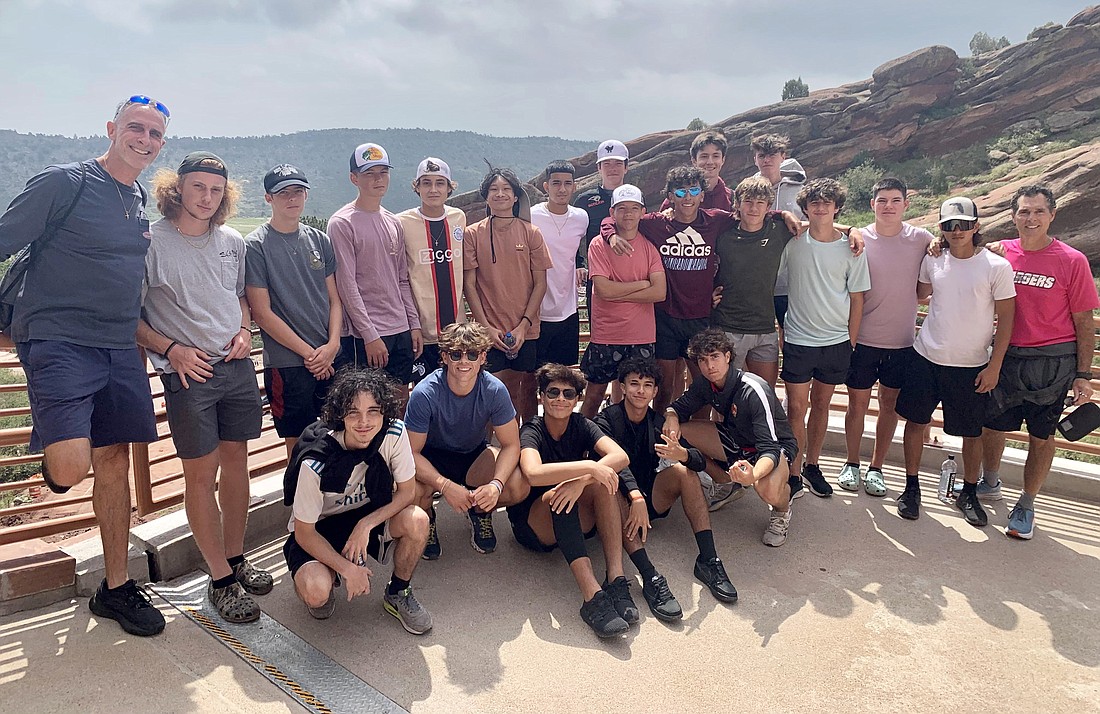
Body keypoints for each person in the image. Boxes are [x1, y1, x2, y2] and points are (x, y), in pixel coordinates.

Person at [0, 95, 169, 636]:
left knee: (115, 458)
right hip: (58, 338)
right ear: (111, 129)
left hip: (120, 345)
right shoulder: (65, 181)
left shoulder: (137, 196)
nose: (144, 139)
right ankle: (55, 459)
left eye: (154, 133)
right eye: (135, 128)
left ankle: (115, 588)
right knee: (73, 469)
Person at [137, 152, 271, 623]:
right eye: (197, 187)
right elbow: (130, 317)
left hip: (234, 364)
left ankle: (234, 559)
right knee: (201, 475)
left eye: (215, 190)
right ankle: (219, 578)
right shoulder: (151, 242)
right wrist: (171, 350)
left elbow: (238, 297)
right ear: (177, 188)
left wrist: (242, 332)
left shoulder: (232, 240)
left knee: (237, 465)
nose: (206, 198)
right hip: (187, 373)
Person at [981, 185, 1099, 539]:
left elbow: (1083, 322)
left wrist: (1082, 374)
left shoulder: (1071, 260)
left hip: (1051, 363)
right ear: (1013, 216)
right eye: (1023, 212)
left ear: (1052, 215)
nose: (1030, 219)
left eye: (1038, 212)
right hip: (1004, 356)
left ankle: (1027, 504)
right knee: (992, 426)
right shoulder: (1000, 254)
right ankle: (990, 482)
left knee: (1041, 436)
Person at [282, 368, 433, 633]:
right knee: (317, 592)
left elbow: (409, 492)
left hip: (367, 513)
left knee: (418, 520)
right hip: (320, 527)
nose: (364, 422)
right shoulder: (316, 461)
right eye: (354, 412)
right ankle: (330, 570)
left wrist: (365, 526)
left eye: (373, 411)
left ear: (385, 411)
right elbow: (304, 533)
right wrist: (346, 569)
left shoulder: (394, 433)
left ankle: (399, 590)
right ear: (340, 415)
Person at [894, 196, 1016, 524]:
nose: (957, 230)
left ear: (976, 226)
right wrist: (932, 248)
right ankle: (911, 486)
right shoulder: (934, 259)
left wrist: (994, 366)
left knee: (971, 433)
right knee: (915, 422)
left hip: (972, 364)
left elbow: (1006, 319)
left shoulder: (996, 266)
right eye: (949, 225)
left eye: (963, 224)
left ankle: (969, 492)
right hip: (926, 356)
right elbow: (921, 293)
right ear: (942, 228)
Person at [594, 358, 737, 621]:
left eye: (648, 385)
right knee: (609, 484)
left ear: (655, 392)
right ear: (622, 387)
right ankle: (650, 575)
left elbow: (694, 457)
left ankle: (708, 559)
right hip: (618, 499)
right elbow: (611, 464)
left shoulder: (658, 421)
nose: (641, 390)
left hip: (650, 499)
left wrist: (682, 454)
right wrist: (634, 496)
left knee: (686, 472)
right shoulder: (606, 421)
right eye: (634, 384)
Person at [508, 364, 638, 637]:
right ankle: (592, 596)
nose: (560, 399)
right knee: (564, 490)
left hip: (575, 516)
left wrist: (585, 480)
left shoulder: (582, 424)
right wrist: (589, 468)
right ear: (541, 396)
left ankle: (615, 577)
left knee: (603, 482)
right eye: (553, 392)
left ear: (577, 399)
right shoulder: (533, 428)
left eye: (568, 394)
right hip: (534, 525)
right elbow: (533, 473)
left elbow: (620, 457)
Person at [839, 178, 934, 496]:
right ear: (872, 204)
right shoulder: (859, 237)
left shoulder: (922, 239)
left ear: (907, 204)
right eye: (882, 200)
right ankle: (851, 463)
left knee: (889, 407)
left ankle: (876, 468)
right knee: (857, 406)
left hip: (902, 342)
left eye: (895, 200)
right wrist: (850, 227)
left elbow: (955, 247)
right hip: (862, 339)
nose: (889, 206)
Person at [664, 330, 800, 547]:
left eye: (715, 357)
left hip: (773, 447)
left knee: (766, 489)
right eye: (703, 360)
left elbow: (770, 447)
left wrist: (754, 474)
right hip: (736, 439)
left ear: (728, 356)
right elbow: (678, 407)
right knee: (676, 433)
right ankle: (725, 481)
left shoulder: (753, 388)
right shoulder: (704, 384)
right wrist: (671, 416)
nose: (710, 366)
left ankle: (781, 511)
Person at [780, 178, 870, 498]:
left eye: (827, 203)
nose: (821, 208)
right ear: (805, 208)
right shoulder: (792, 243)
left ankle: (812, 466)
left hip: (836, 342)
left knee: (821, 404)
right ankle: (793, 471)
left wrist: (851, 340)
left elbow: (857, 298)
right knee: (796, 407)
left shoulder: (851, 248)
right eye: (814, 203)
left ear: (837, 207)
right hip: (799, 338)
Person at [245, 164, 343, 458]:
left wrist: (333, 345)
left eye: (298, 191)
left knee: (339, 436)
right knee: (299, 445)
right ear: (268, 198)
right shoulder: (255, 246)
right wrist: (312, 355)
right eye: (283, 192)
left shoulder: (319, 239)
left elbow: (335, 300)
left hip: (328, 356)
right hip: (287, 363)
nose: (292, 198)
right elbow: (261, 313)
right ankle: (302, 504)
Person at [404, 322, 524, 559]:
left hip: (474, 454)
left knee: (518, 484)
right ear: (444, 357)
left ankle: (480, 510)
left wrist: (495, 486)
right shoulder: (424, 393)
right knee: (410, 490)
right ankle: (427, 516)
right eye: (456, 354)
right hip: (432, 456)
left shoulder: (494, 389)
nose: (464, 362)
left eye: (472, 354)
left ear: (482, 357)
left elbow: (511, 445)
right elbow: (410, 453)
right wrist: (445, 486)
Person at [329, 142, 422, 402]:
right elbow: (347, 285)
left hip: (400, 329)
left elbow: (402, 279)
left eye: (383, 172)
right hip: (365, 334)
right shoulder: (342, 223)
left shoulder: (393, 221)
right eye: (369, 173)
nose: (378, 179)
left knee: (401, 401)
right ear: (354, 178)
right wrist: (370, 335)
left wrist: (413, 324)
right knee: (367, 405)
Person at [463, 168, 552, 415]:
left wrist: (523, 326)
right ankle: (490, 449)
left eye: (506, 189)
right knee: (489, 391)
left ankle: (518, 447)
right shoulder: (472, 234)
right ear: (486, 196)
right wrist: (486, 328)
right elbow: (469, 285)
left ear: (515, 197)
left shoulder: (531, 232)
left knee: (518, 389)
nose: (500, 194)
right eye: (494, 189)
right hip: (488, 329)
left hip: (525, 329)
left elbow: (540, 283)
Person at [579, 184, 664, 418]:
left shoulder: (649, 247)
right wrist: (641, 285)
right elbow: (604, 290)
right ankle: (579, 444)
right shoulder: (599, 244)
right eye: (622, 208)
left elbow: (659, 293)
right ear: (611, 212)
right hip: (607, 335)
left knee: (636, 399)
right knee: (594, 396)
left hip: (641, 335)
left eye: (634, 208)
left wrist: (618, 292)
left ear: (643, 211)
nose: (628, 214)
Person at [710, 176, 794, 388]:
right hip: (728, 328)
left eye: (760, 203)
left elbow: (819, 226)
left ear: (768, 206)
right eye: (748, 201)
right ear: (737, 204)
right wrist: (705, 294)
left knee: (764, 395)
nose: (754, 208)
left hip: (764, 329)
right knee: (724, 397)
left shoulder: (780, 231)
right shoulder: (723, 235)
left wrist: (851, 230)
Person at [395, 157, 467, 384]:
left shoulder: (458, 218)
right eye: (426, 183)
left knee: (458, 392)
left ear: (449, 187)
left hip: (456, 331)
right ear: (416, 187)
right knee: (422, 394)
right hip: (420, 333)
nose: (433, 189)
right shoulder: (402, 222)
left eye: (440, 183)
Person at [530, 161, 588, 369]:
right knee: (531, 378)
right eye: (556, 183)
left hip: (568, 311)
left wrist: (580, 264)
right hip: (536, 311)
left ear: (574, 186)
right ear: (546, 186)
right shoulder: (531, 216)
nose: (562, 189)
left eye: (567, 183)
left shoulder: (581, 218)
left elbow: (577, 251)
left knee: (564, 376)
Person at [751, 133, 807, 336]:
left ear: (783, 156)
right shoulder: (747, 191)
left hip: (790, 280)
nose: (767, 160)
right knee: (756, 336)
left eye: (772, 154)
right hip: (757, 282)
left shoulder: (800, 189)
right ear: (755, 159)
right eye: (761, 155)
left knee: (790, 333)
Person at [659, 130, 733, 211]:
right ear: (694, 160)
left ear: (723, 160)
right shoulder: (678, 198)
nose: (710, 162)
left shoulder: (732, 199)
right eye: (704, 156)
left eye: (716, 156)